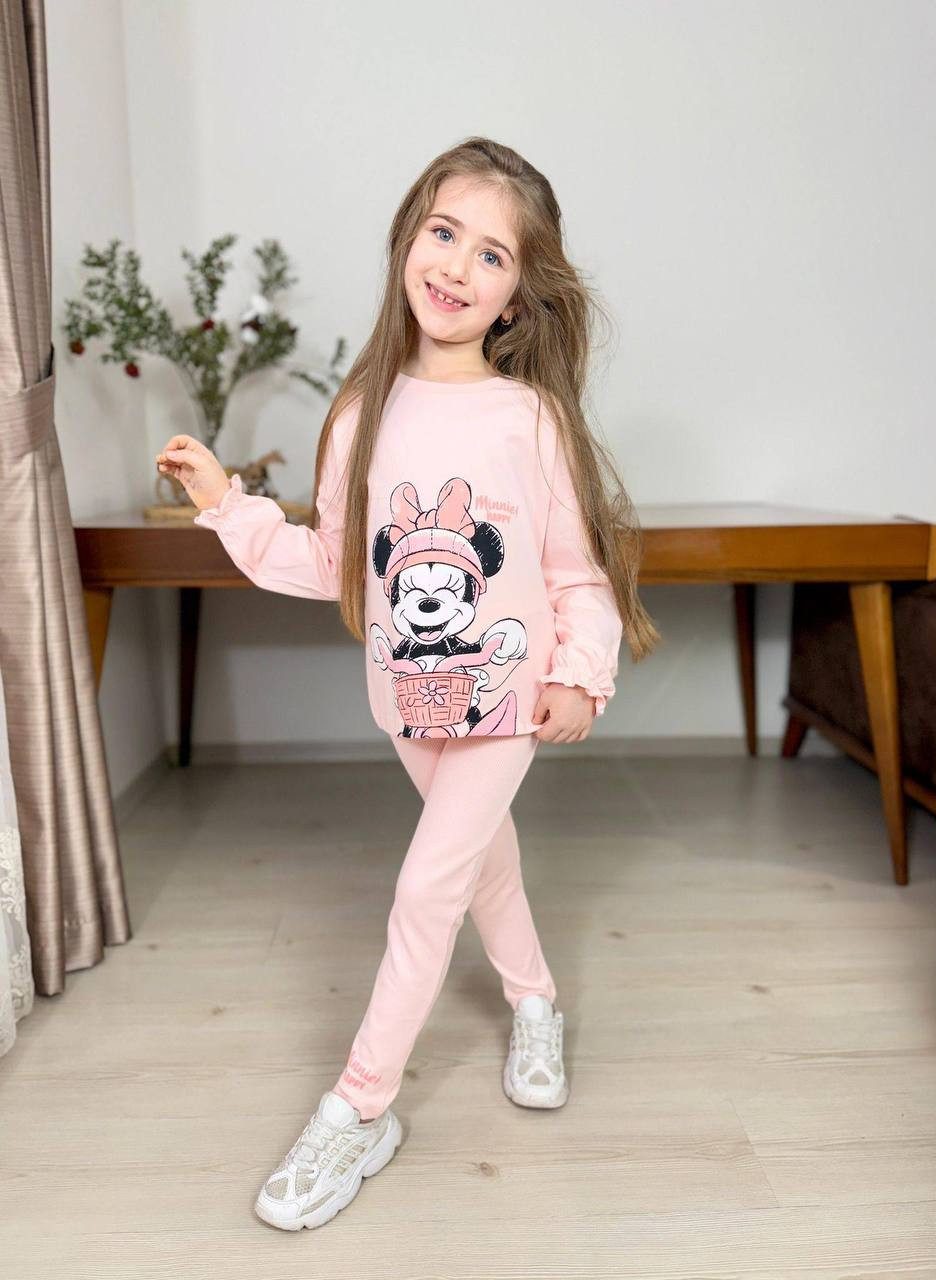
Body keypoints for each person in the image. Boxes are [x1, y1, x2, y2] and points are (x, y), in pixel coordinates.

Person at [156, 136, 661, 1232]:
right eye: (444, 233)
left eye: (492, 254)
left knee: (427, 885)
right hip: (407, 698)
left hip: (507, 696)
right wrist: (225, 505)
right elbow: (332, 562)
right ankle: (536, 1001)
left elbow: (576, 569)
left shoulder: (531, 419)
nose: (457, 266)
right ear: (407, 239)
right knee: (482, 869)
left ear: (518, 296)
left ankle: (359, 1105)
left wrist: (581, 672)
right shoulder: (359, 413)